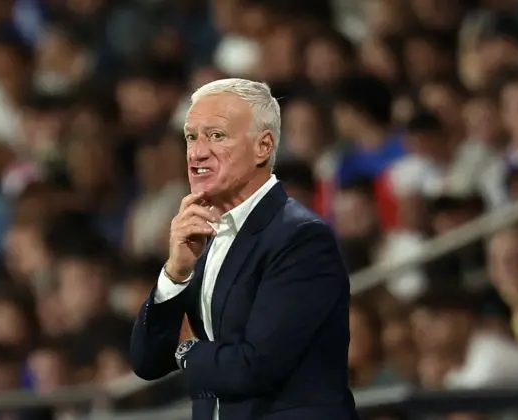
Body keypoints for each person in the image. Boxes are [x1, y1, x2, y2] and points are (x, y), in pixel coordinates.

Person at [130, 78, 358, 420]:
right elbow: (147, 361)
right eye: (191, 136)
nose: (197, 152)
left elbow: (255, 366)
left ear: (263, 147)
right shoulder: (201, 237)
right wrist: (175, 272)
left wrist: (186, 350)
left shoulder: (301, 238)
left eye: (216, 136)